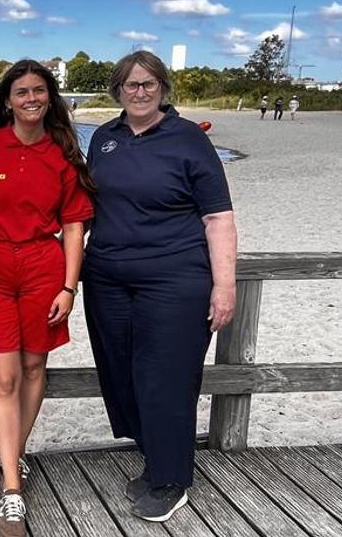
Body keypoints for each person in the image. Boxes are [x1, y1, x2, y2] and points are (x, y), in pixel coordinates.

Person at [83, 50, 237, 523]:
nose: (141, 91)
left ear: (163, 88)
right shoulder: (103, 139)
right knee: (122, 371)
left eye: (149, 83)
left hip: (175, 278)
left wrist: (224, 285)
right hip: (107, 278)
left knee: (166, 376)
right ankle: (156, 458)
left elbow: (217, 217)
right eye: (132, 84)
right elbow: (84, 208)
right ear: (118, 90)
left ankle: (172, 480)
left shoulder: (190, 139)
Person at [0, 60, 94, 536]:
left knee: (35, 368)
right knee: (3, 376)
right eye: (21, 92)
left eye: (39, 91)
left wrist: (69, 285)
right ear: (7, 100)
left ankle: (12, 457)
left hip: (45, 269)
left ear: (50, 97)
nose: (31, 99)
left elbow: (75, 223)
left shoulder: (61, 150)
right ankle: (12, 488)